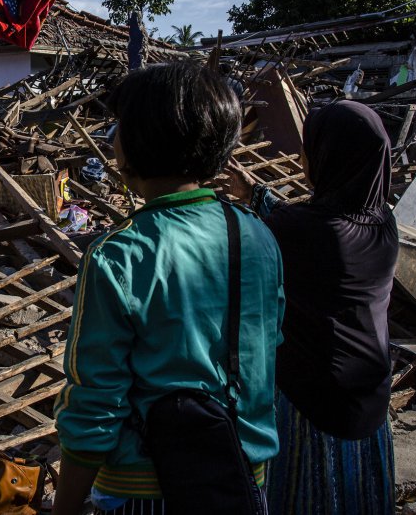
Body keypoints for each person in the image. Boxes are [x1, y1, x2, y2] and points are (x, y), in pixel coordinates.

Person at [52, 62, 285, 515]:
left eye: (119, 126)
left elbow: (94, 405)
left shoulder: (118, 253)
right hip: (243, 480)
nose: (112, 137)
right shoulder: (256, 235)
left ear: (141, 140)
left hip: (144, 490)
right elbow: (269, 348)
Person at [226, 100, 398, 515]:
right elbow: (310, 227)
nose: (302, 157)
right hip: (369, 396)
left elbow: (251, 246)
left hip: (313, 403)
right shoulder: (383, 222)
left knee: (308, 497)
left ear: (329, 157)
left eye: (309, 148)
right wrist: (257, 194)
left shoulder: (302, 230)